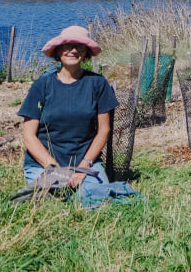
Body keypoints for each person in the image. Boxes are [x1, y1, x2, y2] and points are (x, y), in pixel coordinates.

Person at [17, 25, 118, 201]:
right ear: (58, 51)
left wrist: (83, 167)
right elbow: (28, 136)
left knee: (93, 199)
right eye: (67, 46)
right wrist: (54, 169)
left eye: (79, 46)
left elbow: (104, 131)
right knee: (46, 200)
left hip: (85, 164)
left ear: (86, 52)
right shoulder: (42, 85)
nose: (73, 50)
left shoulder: (98, 84)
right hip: (45, 165)